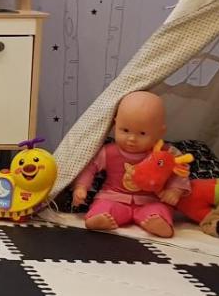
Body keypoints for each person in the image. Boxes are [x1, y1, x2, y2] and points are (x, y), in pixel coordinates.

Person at [71, 91, 188, 238]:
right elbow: (90, 168)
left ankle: (158, 222)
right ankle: (99, 218)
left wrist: (175, 190)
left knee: (159, 209)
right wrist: (81, 187)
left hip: (151, 200)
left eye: (142, 133)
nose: (132, 138)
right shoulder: (109, 152)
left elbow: (180, 170)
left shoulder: (165, 154)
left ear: (160, 132)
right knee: (104, 206)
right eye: (125, 130)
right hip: (114, 196)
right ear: (115, 124)